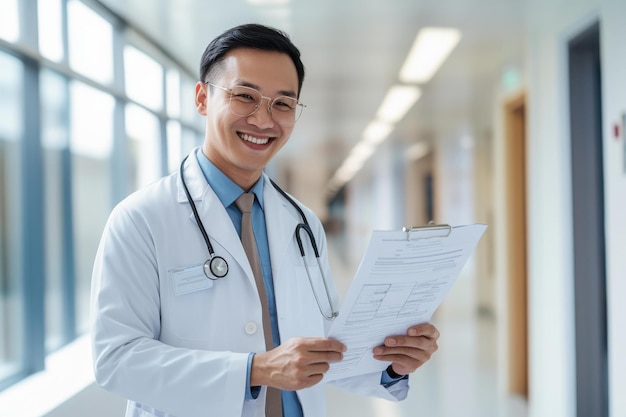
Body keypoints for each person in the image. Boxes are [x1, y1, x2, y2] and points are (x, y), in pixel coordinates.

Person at [90, 23, 440, 417]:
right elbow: (116, 359)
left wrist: (392, 363)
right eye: (245, 96)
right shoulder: (141, 220)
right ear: (203, 98)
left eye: (283, 104)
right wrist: (255, 370)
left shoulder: (302, 222)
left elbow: (323, 349)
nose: (263, 119)